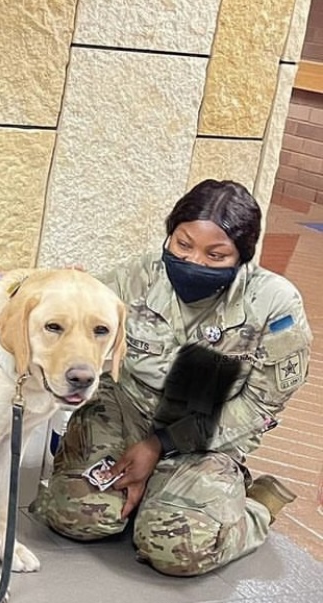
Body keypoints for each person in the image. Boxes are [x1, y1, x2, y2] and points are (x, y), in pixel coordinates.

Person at [32, 179, 312, 576]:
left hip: (207, 436)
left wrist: (159, 445)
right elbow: (79, 321)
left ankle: (253, 508)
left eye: (216, 255)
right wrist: (64, 290)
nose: (194, 261)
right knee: (74, 515)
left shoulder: (273, 304)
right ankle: (158, 495)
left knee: (177, 550)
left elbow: (259, 405)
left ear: (242, 256)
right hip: (126, 412)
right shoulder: (137, 277)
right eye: (183, 244)